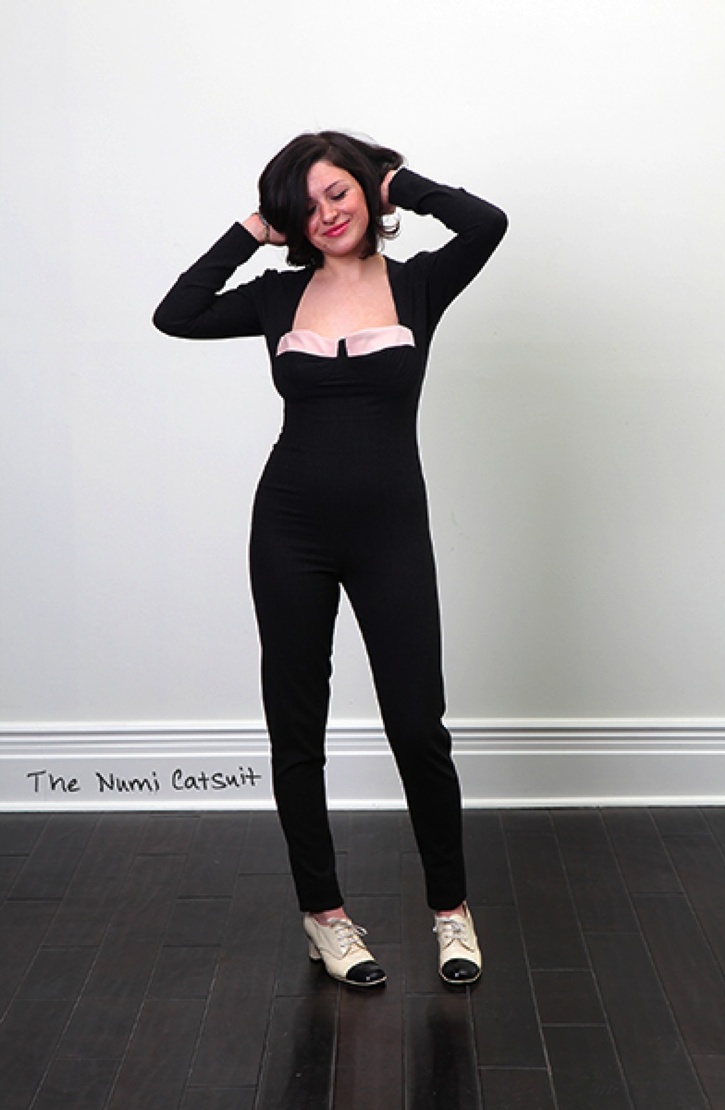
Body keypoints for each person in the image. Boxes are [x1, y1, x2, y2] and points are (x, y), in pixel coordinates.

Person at [153, 130, 508, 987]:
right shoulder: (277, 297)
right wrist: (251, 230)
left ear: (366, 190)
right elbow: (177, 313)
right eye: (305, 206)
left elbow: (487, 223)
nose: (327, 214)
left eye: (338, 192)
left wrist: (401, 184)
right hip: (290, 529)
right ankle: (326, 917)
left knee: (417, 725)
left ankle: (451, 912)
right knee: (296, 726)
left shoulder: (419, 284)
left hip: (390, 531)